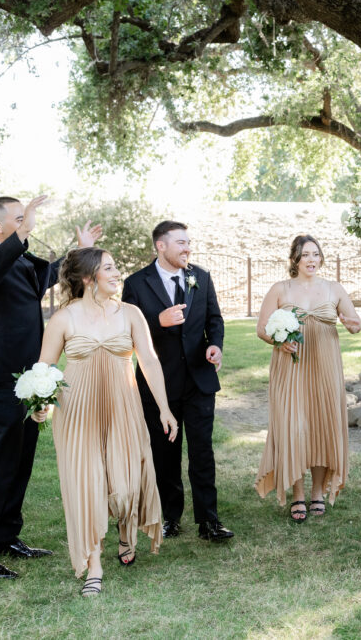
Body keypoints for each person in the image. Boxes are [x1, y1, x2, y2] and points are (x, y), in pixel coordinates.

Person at [0, 195, 101, 580]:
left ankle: (6, 537)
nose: (28, 224)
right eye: (19, 219)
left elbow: (47, 275)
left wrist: (80, 251)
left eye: (26, 219)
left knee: (20, 461)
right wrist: (21, 235)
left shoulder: (16, 257)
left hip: (27, 377)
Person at [35, 248, 178, 597]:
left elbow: (149, 360)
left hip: (122, 406)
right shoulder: (64, 318)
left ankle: (126, 530)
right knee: (89, 485)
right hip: (77, 411)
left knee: (128, 482)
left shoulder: (130, 313)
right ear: (88, 278)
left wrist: (164, 408)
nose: (118, 273)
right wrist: (42, 404)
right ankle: (94, 565)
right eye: (109, 268)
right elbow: (46, 368)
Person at [121, 220, 234, 543]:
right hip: (159, 385)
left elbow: (215, 319)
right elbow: (128, 332)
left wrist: (215, 345)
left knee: (202, 453)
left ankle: (208, 521)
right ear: (161, 245)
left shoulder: (201, 276)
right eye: (181, 243)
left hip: (199, 379)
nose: (187, 248)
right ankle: (170, 517)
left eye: (188, 242)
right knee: (164, 454)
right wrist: (158, 321)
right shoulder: (136, 283)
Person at [254, 235, 361, 521]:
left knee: (321, 424)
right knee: (293, 425)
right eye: (305, 255)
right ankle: (297, 494)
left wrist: (355, 323)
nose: (312, 259)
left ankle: (317, 492)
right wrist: (277, 342)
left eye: (316, 254)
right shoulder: (280, 289)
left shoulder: (334, 288)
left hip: (326, 366)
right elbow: (262, 328)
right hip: (290, 366)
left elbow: (353, 324)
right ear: (295, 259)